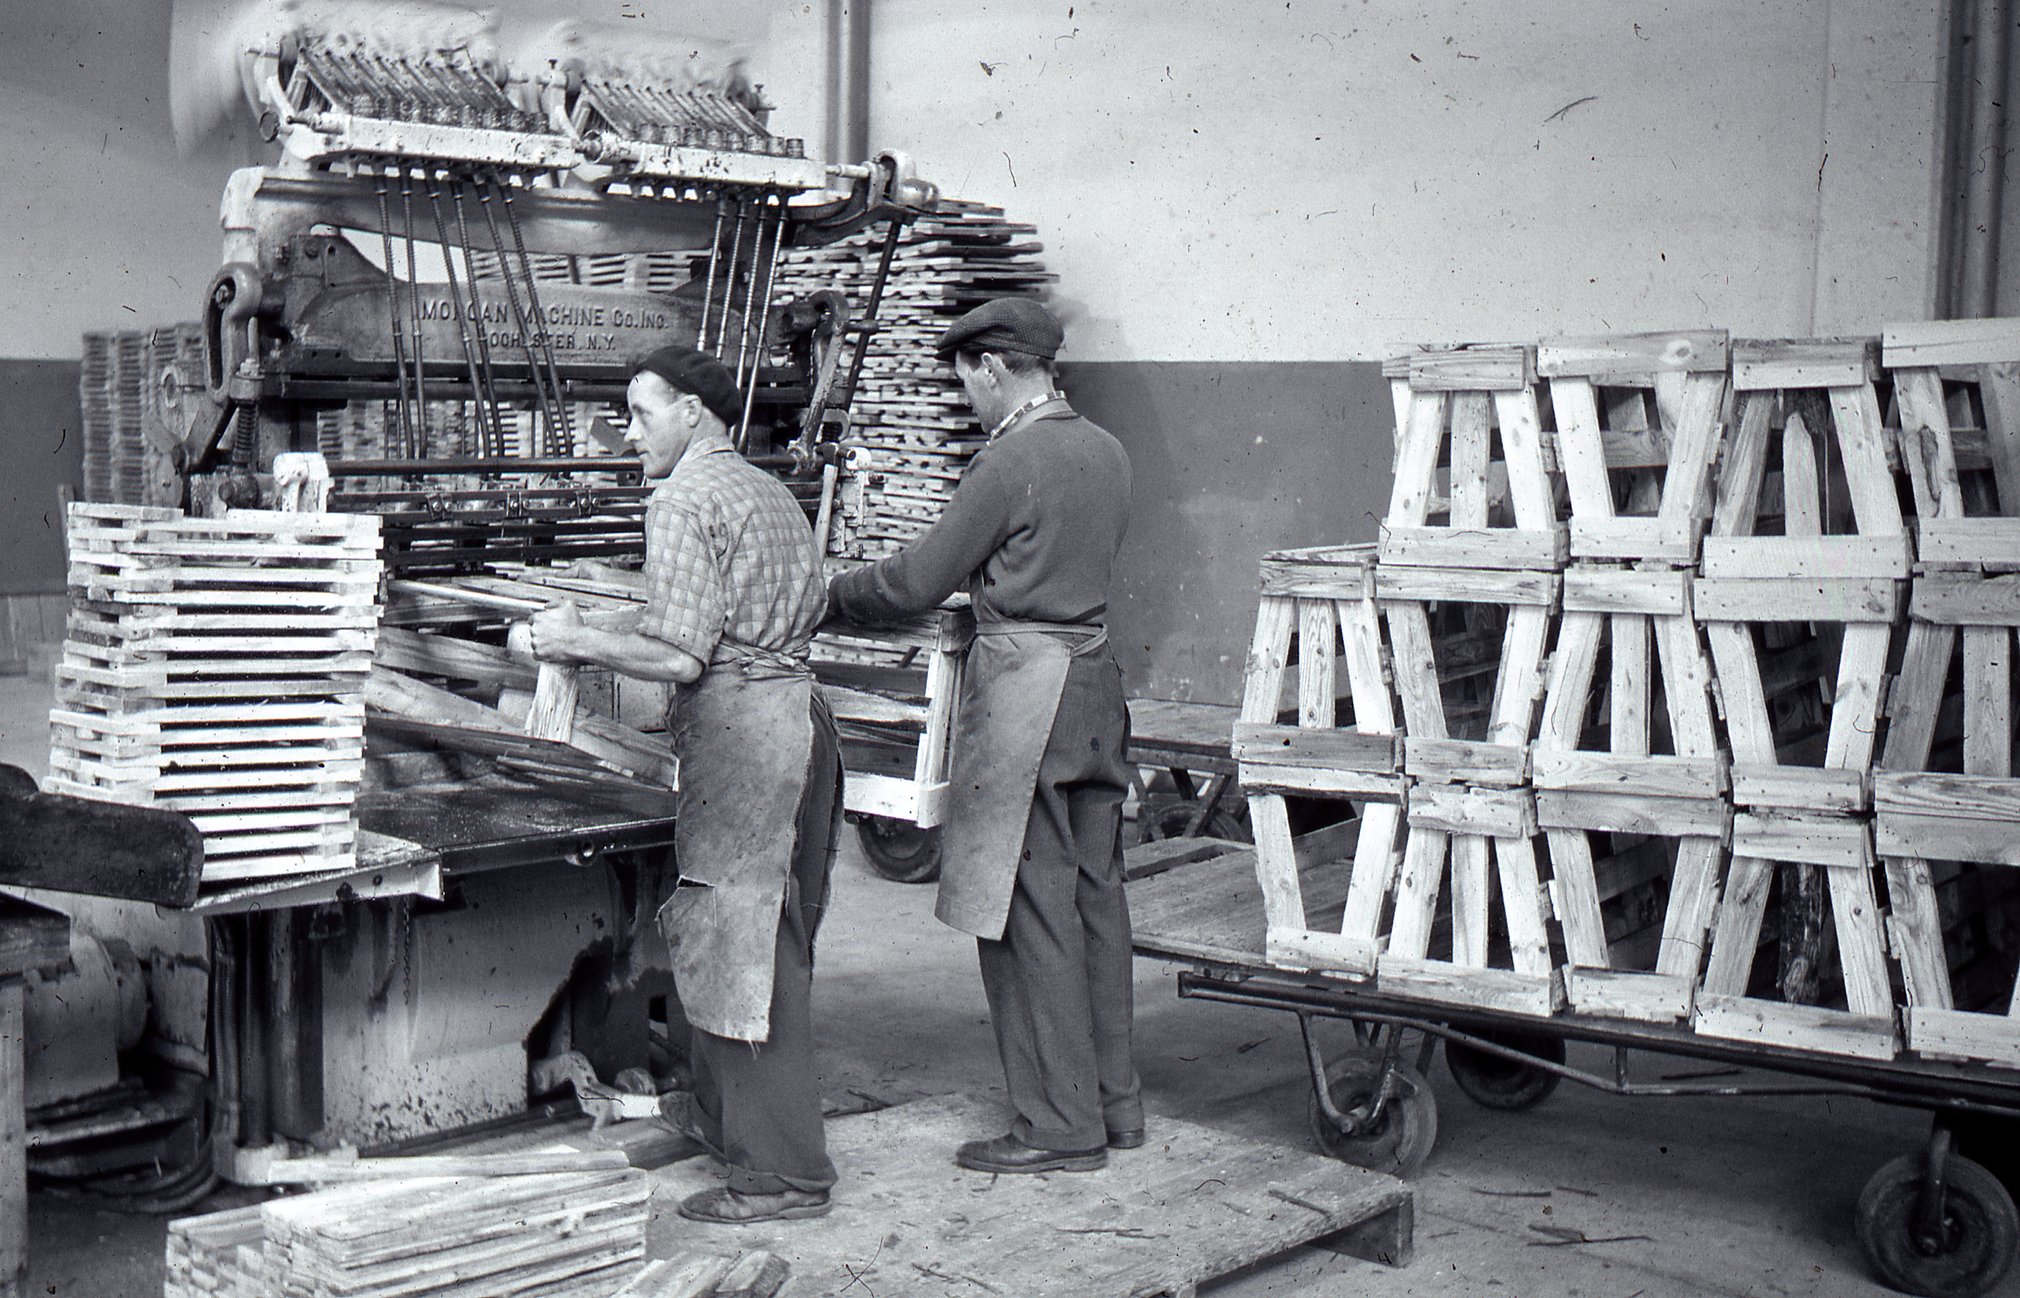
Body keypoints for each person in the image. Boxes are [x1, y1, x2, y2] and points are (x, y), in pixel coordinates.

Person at [826, 297, 1142, 1173]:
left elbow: (916, 581)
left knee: (1024, 907)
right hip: (1097, 686)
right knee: (1094, 900)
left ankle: (1057, 1129)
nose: (967, 400)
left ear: (996, 368)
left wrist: (830, 592)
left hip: (1029, 697)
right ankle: (1114, 1110)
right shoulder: (1107, 451)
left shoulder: (1008, 464)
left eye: (966, 381)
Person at [528, 345, 842, 1224]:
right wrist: (595, 618)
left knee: (745, 957)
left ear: (693, 412)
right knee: (755, 942)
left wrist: (572, 644)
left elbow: (679, 652)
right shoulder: (764, 488)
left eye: (639, 414)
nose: (628, 436)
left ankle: (783, 1175)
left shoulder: (682, 498)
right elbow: (706, 616)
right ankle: (725, 1124)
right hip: (799, 721)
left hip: (747, 738)